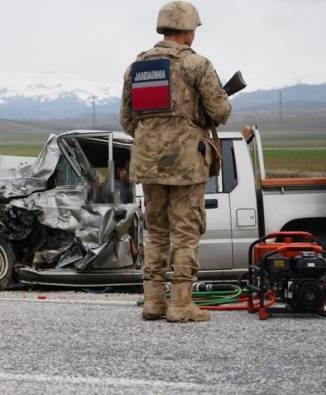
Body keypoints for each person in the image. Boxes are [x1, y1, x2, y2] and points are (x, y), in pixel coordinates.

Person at [120, 1, 231, 323]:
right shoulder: (196, 65)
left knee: (155, 232)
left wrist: (155, 135)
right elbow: (221, 112)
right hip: (185, 163)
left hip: (148, 162)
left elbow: (128, 121)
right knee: (185, 232)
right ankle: (181, 305)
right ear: (188, 30)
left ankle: (153, 302)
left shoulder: (136, 68)